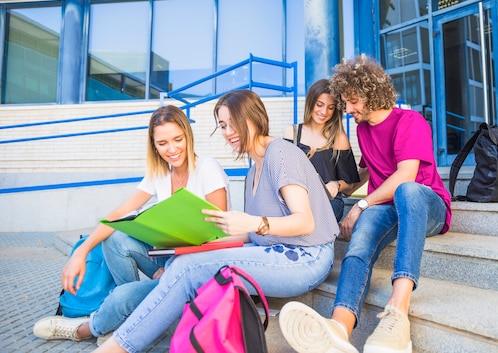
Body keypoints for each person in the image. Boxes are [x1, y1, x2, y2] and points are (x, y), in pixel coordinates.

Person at [94, 89, 339, 353]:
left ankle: (116, 347)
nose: (228, 132)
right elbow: (249, 233)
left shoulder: (281, 152)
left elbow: (305, 223)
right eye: (222, 125)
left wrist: (254, 223)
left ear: (254, 118)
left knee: (188, 270)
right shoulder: (254, 168)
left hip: (306, 256)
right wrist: (195, 248)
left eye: (234, 123)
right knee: (183, 262)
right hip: (274, 249)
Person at [279, 55, 452, 353]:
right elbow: (368, 170)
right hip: (389, 207)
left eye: (353, 101)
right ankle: (338, 329)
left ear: (373, 94)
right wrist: (336, 189)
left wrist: (361, 205)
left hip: (426, 205)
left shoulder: (410, 121)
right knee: (359, 245)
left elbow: (405, 175)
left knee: (407, 191)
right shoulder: (362, 130)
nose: (347, 110)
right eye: (345, 102)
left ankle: (397, 314)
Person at [33, 105, 230, 344]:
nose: (172, 149)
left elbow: (219, 238)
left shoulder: (208, 169)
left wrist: (174, 266)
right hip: (170, 257)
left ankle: (84, 330)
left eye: (178, 139)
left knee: (121, 296)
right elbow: (118, 214)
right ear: (154, 145)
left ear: (188, 135)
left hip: (198, 267)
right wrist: (81, 253)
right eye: (163, 143)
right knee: (114, 236)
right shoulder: (160, 172)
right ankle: (134, 321)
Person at [284, 78, 360, 221]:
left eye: (331, 108)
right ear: (310, 103)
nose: (324, 112)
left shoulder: (338, 137)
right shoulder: (292, 133)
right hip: (297, 200)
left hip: (328, 203)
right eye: (319, 105)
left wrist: (336, 184)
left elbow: (350, 183)